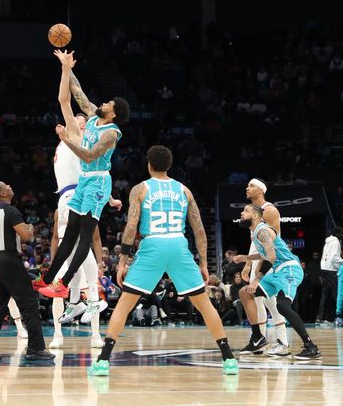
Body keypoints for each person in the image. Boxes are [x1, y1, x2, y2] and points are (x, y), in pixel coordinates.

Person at [87, 145, 238, 377]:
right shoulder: (184, 190)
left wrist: (124, 260)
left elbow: (131, 226)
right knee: (205, 306)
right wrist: (204, 263)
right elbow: (199, 229)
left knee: (125, 305)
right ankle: (228, 358)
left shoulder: (140, 189)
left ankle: (103, 360)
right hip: (178, 244)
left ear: (149, 164)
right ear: (169, 166)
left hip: (153, 245)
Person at [37, 51, 130, 298]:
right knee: (69, 234)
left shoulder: (111, 133)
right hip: (85, 181)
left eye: (108, 104)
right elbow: (76, 91)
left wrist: (66, 140)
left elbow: (89, 157)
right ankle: (47, 278)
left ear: (113, 114)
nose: (103, 103)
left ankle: (65, 283)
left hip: (98, 181)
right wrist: (67, 67)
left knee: (85, 235)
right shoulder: (92, 116)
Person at [46, 50, 115, 348]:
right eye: (76, 119)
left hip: (79, 192)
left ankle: (86, 306)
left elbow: (96, 167)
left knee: (83, 253)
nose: (78, 119)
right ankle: (71, 311)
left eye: (82, 119)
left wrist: (109, 197)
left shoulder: (86, 136)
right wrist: (65, 69)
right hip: (69, 196)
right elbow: (66, 99)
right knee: (71, 253)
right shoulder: (68, 139)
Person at [0, 180, 54, 362]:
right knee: (29, 304)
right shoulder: (11, 211)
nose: (10, 186)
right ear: (2, 194)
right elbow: (26, 236)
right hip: (9, 260)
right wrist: (31, 229)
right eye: (6, 185)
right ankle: (35, 348)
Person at [235, 204, 321, 359]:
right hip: (276, 271)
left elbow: (271, 257)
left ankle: (311, 346)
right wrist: (246, 258)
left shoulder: (263, 231)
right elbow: (266, 254)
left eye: (246, 210)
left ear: (255, 215)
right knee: (245, 292)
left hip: (289, 269)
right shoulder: (257, 233)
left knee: (282, 305)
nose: (241, 213)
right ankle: (257, 338)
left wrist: (256, 280)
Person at [242, 178, 289, 356]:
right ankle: (259, 341)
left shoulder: (269, 210)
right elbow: (255, 242)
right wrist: (248, 264)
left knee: (273, 303)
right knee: (257, 302)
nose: (247, 188)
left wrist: (258, 266)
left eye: (251, 185)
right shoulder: (252, 212)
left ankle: (283, 342)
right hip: (257, 259)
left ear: (261, 190)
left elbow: (268, 243)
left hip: (270, 260)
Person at [317, 229, 343, 325]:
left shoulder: (327, 242)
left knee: (325, 295)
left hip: (323, 269)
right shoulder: (336, 242)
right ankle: (339, 317)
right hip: (331, 270)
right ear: (337, 233)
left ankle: (321, 317)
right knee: (337, 294)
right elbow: (334, 258)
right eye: (342, 233)